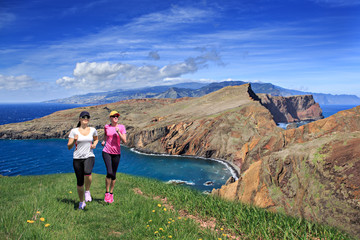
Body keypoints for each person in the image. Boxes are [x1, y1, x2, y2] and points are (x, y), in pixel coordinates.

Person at [67, 111, 98, 210]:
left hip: (89, 155)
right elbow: (69, 147)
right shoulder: (74, 131)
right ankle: (81, 202)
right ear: (80, 119)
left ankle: (87, 191)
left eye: (87, 117)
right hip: (77, 158)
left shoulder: (93, 130)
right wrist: (74, 141)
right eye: (84, 117)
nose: (86, 118)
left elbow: (96, 139)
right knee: (80, 183)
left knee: (87, 172)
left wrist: (95, 144)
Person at [101, 110, 127, 203]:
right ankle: (107, 192)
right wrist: (104, 141)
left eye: (117, 116)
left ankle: (111, 194)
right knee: (109, 172)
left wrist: (118, 132)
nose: (116, 117)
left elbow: (125, 141)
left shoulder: (121, 127)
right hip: (106, 151)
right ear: (110, 118)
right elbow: (105, 134)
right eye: (114, 116)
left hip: (116, 153)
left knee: (114, 174)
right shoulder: (106, 126)